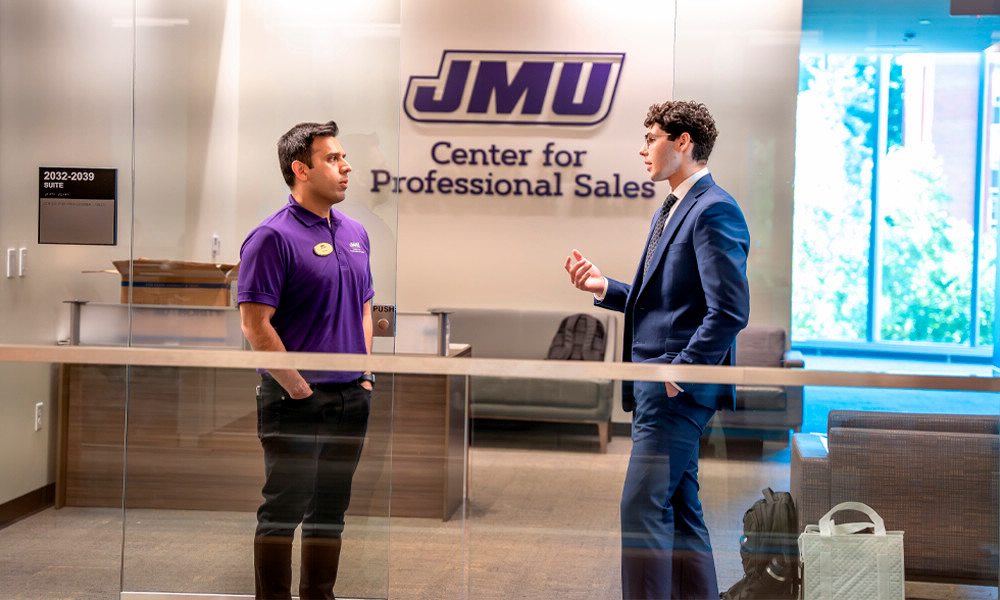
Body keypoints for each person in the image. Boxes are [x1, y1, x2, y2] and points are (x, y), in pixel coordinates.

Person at [564, 101, 750, 599]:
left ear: (682, 142)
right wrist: (607, 287)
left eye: (651, 137)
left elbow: (730, 311)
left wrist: (682, 372)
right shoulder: (672, 207)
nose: (642, 148)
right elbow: (669, 304)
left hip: (675, 391)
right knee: (681, 515)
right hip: (656, 386)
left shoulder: (714, 209)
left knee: (641, 511)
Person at [238, 120, 375, 600]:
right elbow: (255, 324)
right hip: (294, 397)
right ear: (301, 169)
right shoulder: (270, 237)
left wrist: (364, 374)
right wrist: (298, 386)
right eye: (333, 159)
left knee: (330, 512)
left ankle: (320, 595)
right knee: (282, 511)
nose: (346, 166)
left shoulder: (355, 233)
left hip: (349, 396)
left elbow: (364, 307)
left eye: (343, 157)